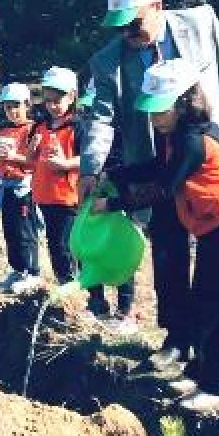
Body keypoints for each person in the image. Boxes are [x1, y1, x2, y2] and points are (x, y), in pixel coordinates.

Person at [79, 0, 219, 370]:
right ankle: (177, 338)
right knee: (168, 253)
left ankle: (211, 352)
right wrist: (92, 168)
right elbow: (101, 119)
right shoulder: (108, 60)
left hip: (206, 153)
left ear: (156, 7)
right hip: (155, 161)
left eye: (134, 24)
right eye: (120, 26)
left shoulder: (202, 23)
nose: (128, 33)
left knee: (214, 261)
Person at [94, 59, 219, 410]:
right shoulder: (174, 137)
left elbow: (163, 189)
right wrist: (117, 174)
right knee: (203, 298)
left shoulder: (193, 141)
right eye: (150, 111)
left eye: (159, 111)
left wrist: (115, 204)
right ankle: (200, 371)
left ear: (184, 102)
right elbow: (156, 167)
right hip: (210, 223)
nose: (153, 119)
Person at [77, 79, 138, 334]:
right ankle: (97, 302)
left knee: (119, 250)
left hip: (120, 198)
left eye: (95, 110)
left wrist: (110, 177)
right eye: (87, 110)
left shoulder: (126, 134)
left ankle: (125, 311)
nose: (91, 116)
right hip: (93, 199)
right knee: (88, 247)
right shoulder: (84, 131)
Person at [27, 67, 83, 287]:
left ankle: (75, 284)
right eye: (48, 100)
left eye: (57, 100)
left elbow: (89, 159)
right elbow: (31, 159)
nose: (51, 106)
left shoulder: (78, 126)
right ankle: (64, 282)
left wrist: (66, 164)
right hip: (45, 196)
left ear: (71, 96)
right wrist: (31, 149)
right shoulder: (41, 126)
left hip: (68, 197)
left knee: (67, 244)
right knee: (54, 243)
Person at [0, 81, 43, 295]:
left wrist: (13, 157)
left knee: (25, 231)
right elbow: (1, 158)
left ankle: (32, 272)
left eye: (17, 106)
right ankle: (17, 268)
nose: (13, 111)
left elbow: (35, 162)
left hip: (25, 187)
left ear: (27, 105)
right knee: (10, 230)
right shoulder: (4, 129)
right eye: (8, 107)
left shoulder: (33, 129)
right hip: (7, 186)